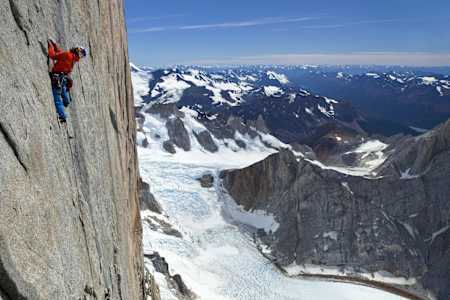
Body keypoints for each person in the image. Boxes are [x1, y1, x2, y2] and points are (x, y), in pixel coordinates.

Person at [47, 39, 87, 123]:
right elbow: (61, 55)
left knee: (57, 98)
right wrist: (55, 45)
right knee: (64, 90)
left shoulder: (68, 55)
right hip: (63, 79)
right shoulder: (73, 60)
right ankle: (66, 100)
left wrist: (50, 46)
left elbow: (53, 56)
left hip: (57, 78)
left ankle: (62, 115)